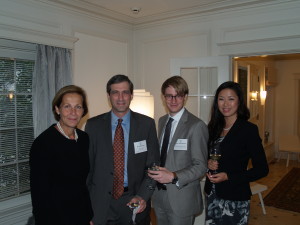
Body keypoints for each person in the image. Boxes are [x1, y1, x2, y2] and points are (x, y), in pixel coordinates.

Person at [85, 74, 160, 225]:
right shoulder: (93, 125)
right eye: (115, 92)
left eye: (125, 92)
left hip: (134, 201)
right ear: (108, 96)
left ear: (131, 95)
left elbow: (153, 166)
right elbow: (87, 170)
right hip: (101, 204)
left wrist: (143, 196)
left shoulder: (146, 124)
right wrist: (86, 208)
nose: (120, 97)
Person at [204, 81, 269, 225]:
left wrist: (229, 176)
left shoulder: (248, 130)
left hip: (235, 198)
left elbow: (262, 169)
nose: (225, 104)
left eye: (231, 99)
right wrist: (208, 163)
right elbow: (208, 156)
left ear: (239, 101)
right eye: (221, 99)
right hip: (212, 195)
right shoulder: (213, 127)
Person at [148, 76, 208, 225]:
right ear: (163, 97)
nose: (173, 100)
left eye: (178, 96)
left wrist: (174, 176)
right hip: (159, 195)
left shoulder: (196, 126)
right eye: (169, 96)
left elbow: (201, 166)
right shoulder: (162, 121)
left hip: (182, 198)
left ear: (185, 97)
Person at [30, 85, 93, 225]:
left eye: (78, 107)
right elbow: (39, 195)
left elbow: (82, 185)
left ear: (83, 111)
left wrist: (89, 216)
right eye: (67, 106)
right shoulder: (43, 144)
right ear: (57, 109)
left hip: (81, 216)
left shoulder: (84, 139)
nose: (73, 112)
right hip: (55, 218)